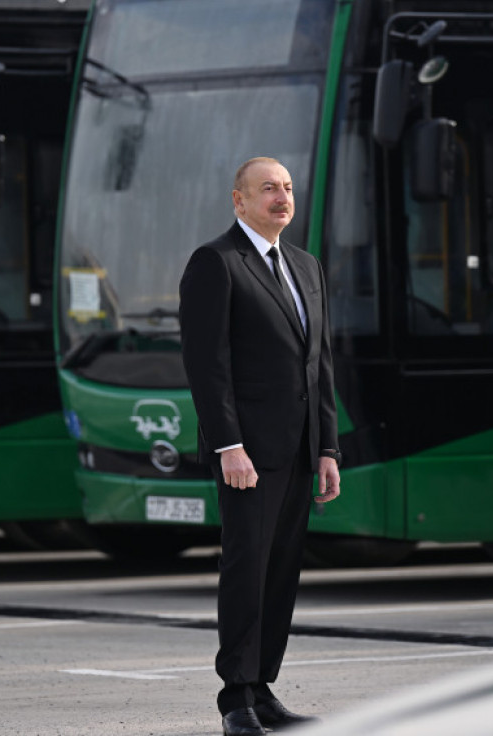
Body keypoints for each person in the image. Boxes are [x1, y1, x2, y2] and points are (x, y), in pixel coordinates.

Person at [179, 157, 341, 736]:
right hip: (247, 453)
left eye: (288, 187)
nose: (282, 197)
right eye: (268, 188)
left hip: (300, 449)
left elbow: (318, 365)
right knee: (246, 569)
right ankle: (235, 698)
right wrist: (228, 445)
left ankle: (263, 685)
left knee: (281, 571)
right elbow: (207, 365)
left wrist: (328, 449)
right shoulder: (217, 263)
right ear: (238, 200)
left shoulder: (306, 266)